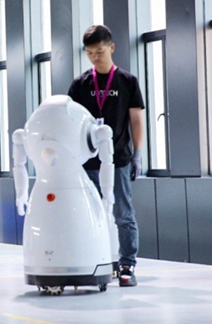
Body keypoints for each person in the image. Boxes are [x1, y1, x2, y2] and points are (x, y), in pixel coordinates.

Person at [67, 24, 144, 287]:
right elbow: (71, 121)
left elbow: (136, 119)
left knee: (123, 214)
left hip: (119, 158)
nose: (95, 57)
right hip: (87, 161)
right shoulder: (80, 84)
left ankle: (127, 265)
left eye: (99, 51)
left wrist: (138, 153)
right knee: (87, 212)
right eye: (89, 53)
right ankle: (90, 259)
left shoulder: (127, 81)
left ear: (111, 48)